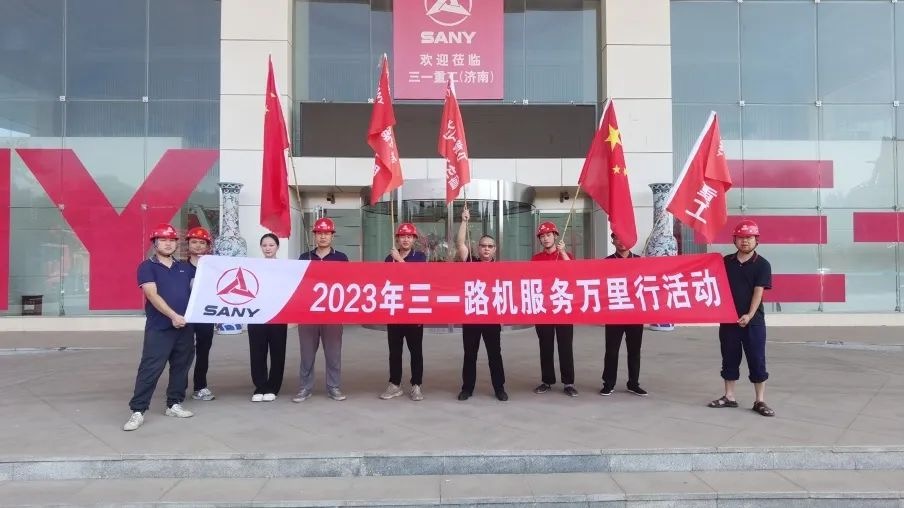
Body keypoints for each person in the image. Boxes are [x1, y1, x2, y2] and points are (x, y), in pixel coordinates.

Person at [123, 223, 195, 431]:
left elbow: (198, 292)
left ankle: (174, 404)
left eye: (171, 240)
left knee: (181, 367)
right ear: (155, 243)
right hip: (160, 327)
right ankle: (138, 411)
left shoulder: (184, 268)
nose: (168, 244)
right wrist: (173, 316)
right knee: (150, 368)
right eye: (163, 240)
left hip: (185, 328)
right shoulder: (147, 267)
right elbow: (152, 294)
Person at [708, 219, 775, 417]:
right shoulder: (725, 262)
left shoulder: (762, 265)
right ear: (734, 240)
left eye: (749, 238)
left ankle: (759, 400)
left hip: (753, 322)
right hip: (728, 320)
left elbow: (758, 293)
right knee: (729, 358)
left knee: (757, 359)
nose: (745, 241)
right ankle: (729, 396)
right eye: (741, 237)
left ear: (756, 240)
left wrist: (749, 315)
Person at [294, 218, 350, 403]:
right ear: (315, 236)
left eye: (326, 233)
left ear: (332, 236)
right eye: (319, 233)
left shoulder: (341, 258)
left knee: (333, 353)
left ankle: (333, 386)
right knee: (307, 353)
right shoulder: (304, 258)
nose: (323, 236)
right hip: (308, 314)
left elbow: (348, 284)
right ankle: (305, 387)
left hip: (332, 313)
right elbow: (297, 284)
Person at [455, 208, 507, 402]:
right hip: (471, 316)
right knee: (470, 354)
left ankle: (499, 388)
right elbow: (460, 243)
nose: (486, 249)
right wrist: (464, 222)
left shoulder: (501, 268)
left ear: (495, 250)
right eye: (483, 246)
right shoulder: (470, 262)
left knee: (495, 354)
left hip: (492, 317)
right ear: (478, 248)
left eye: (490, 246)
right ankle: (467, 388)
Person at [380, 222, 428, 401]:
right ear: (397, 239)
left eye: (409, 236)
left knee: (416, 350)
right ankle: (395, 384)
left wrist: (400, 261)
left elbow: (418, 278)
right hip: (395, 309)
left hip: (414, 310)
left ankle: (416, 385)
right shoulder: (389, 258)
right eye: (402, 236)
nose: (406, 239)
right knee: (395, 350)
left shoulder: (420, 257)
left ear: (414, 239)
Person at [531, 221, 578, 397]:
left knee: (565, 346)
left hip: (562, 306)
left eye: (548, 235)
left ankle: (568, 382)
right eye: (542, 236)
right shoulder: (536, 259)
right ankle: (547, 380)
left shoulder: (567, 255)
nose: (545, 239)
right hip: (543, 308)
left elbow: (574, 273)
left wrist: (563, 253)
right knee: (545, 346)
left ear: (556, 236)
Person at [601, 232, 647, 397]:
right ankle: (608, 383)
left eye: (624, 238)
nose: (621, 242)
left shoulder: (640, 261)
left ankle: (633, 383)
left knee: (634, 350)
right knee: (611, 351)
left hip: (635, 314)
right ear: (612, 241)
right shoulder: (606, 262)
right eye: (617, 238)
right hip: (614, 313)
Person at [247, 233, 288, 402]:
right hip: (257, 316)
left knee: (278, 352)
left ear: (277, 247)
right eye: (264, 245)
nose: (268, 248)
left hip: (278, 315)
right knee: (257, 352)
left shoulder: (286, 267)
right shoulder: (253, 266)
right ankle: (260, 386)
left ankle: (273, 387)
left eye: (271, 245)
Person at [186, 226, 217, 402]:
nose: (198, 246)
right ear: (188, 244)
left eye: (202, 243)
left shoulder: (213, 269)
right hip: (186, 318)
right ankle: (178, 388)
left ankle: (200, 386)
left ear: (208, 246)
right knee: (183, 353)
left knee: (203, 352)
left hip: (206, 317)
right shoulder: (181, 268)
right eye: (194, 242)